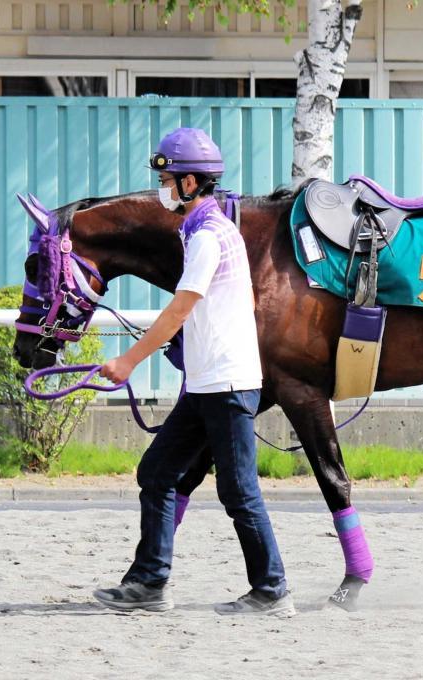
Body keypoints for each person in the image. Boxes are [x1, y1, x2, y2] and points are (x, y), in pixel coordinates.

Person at [93, 127, 293, 617]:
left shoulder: (207, 235)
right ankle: (149, 583)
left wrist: (128, 360)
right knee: (157, 471)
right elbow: (240, 300)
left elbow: (179, 310)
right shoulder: (213, 229)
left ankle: (271, 590)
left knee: (238, 490)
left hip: (223, 384)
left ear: (190, 184)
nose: (162, 189)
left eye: (169, 179)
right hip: (209, 381)